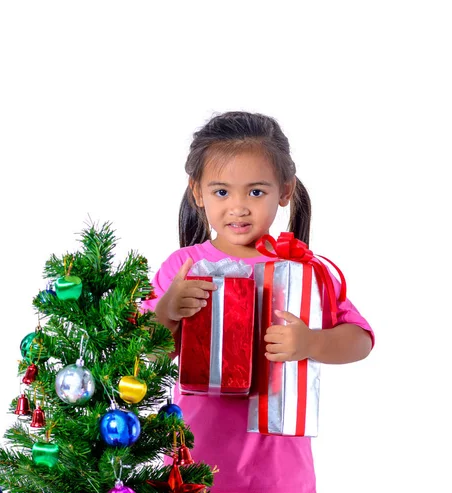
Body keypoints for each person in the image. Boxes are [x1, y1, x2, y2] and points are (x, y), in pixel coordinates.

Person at [141, 111, 374, 493]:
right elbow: (147, 359)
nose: (238, 207)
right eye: (221, 191)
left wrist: (312, 343)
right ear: (197, 191)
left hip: (280, 462)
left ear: (284, 191)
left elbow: (361, 338)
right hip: (198, 452)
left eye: (256, 191)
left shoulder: (301, 268)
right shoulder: (184, 267)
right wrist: (168, 310)